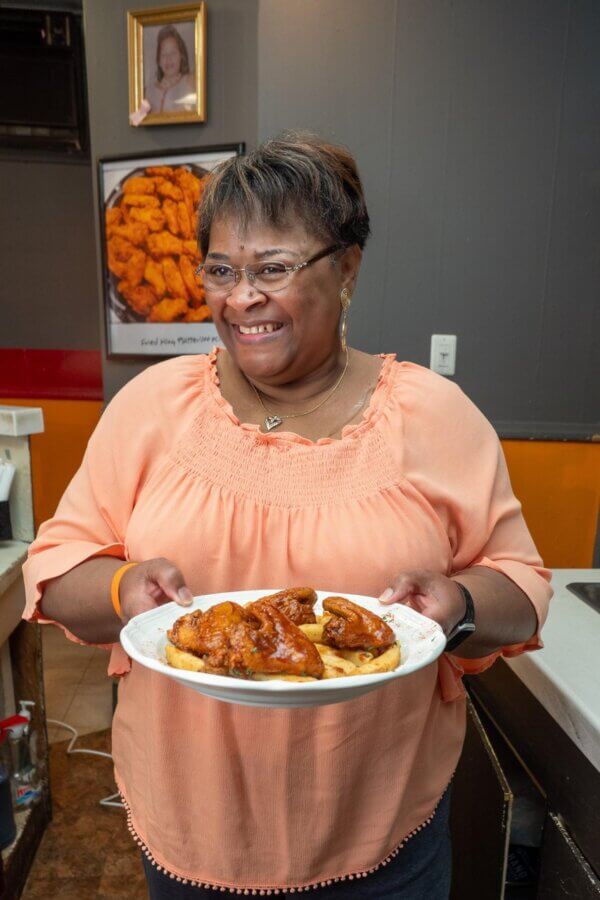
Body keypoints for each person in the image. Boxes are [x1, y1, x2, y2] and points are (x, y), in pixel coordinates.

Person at [23, 133, 552, 898]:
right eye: (221, 271)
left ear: (347, 269)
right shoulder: (149, 408)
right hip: (190, 832)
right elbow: (55, 566)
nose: (241, 299)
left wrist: (459, 605)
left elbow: (522, 584)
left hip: (383, 839)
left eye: (272, 268)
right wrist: (123, 589)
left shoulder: (434, 417)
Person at [145, 24, 196, 114]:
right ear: (159, 61)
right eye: (164, 54)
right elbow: (135, 119)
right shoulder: (148, 91)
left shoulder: (191, 81)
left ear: (181, 56)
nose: (168, 59)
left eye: (173, 52)